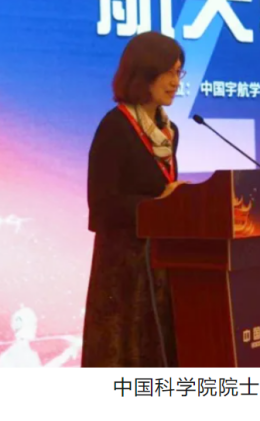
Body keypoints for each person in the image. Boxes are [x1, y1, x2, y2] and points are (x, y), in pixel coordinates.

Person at [81, 31, 187, 367]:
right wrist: (157, 205)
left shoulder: (169, 131)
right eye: (168, 72)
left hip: (161, 265)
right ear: (144, 73)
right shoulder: (115, 127)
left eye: (178, 72)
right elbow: (102, 207)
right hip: (123, 270)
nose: (175, 82)